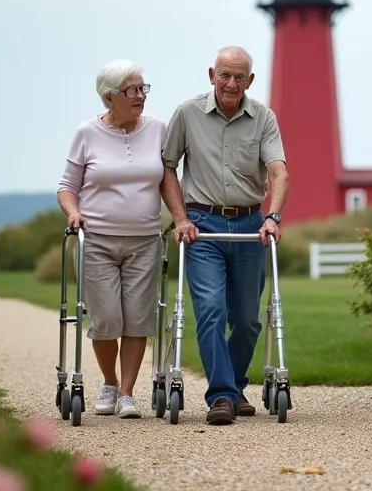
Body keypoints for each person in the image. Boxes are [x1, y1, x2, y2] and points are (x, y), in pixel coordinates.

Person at [161, 45, 290, 426]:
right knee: (211, 311)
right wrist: (180, 218)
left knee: (249, 319)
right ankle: (221, 396)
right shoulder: (186, 114)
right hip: (202, 225)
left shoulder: (264, 117)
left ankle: (233, 386)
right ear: (211, 75)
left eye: (239, 77)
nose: (231, 83)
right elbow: (168, 168)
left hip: (251, 224)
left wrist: (274, 216)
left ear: (249, 80)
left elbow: (279, 172)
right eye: (225, 75)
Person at [56, 59, 171, 419]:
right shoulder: (87, 133)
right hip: (98, 241)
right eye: (131, 90)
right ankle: (108, 381)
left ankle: (126, 393)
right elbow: (66, 187)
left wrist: (179, 217)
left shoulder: (157, 130)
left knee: (138, 317)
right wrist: (73, 213)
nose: (140, 96)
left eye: (142, 88)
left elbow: (167, 180)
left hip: (144, 239)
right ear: (109, 98)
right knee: (105, 318)